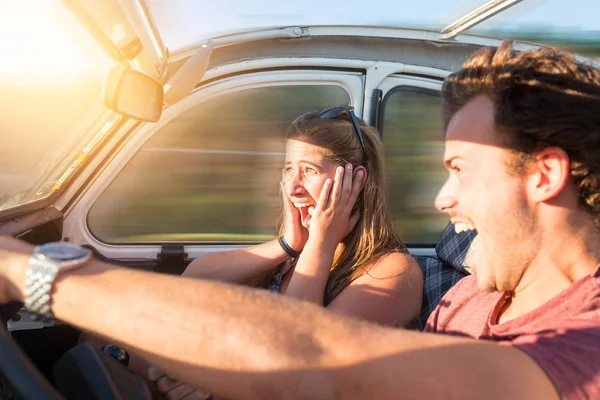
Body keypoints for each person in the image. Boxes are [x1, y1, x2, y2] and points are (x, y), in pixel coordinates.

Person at [0, 40, 599, 400]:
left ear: (544, 175)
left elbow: (310, 363)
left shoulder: (585, 348)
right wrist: (290, 243)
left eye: (461, 169)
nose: (444, 200)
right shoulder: (466, 299)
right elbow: (208, 291)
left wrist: (40, 273)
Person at [181, 107, 423, 327]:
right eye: (288, 169)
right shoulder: (294, 256)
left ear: (355, 182)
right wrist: (288, 244)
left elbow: (296, 341)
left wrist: (322, 242)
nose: (293, 187)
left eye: (309, 170)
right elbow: (191, 283)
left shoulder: (393, 271)